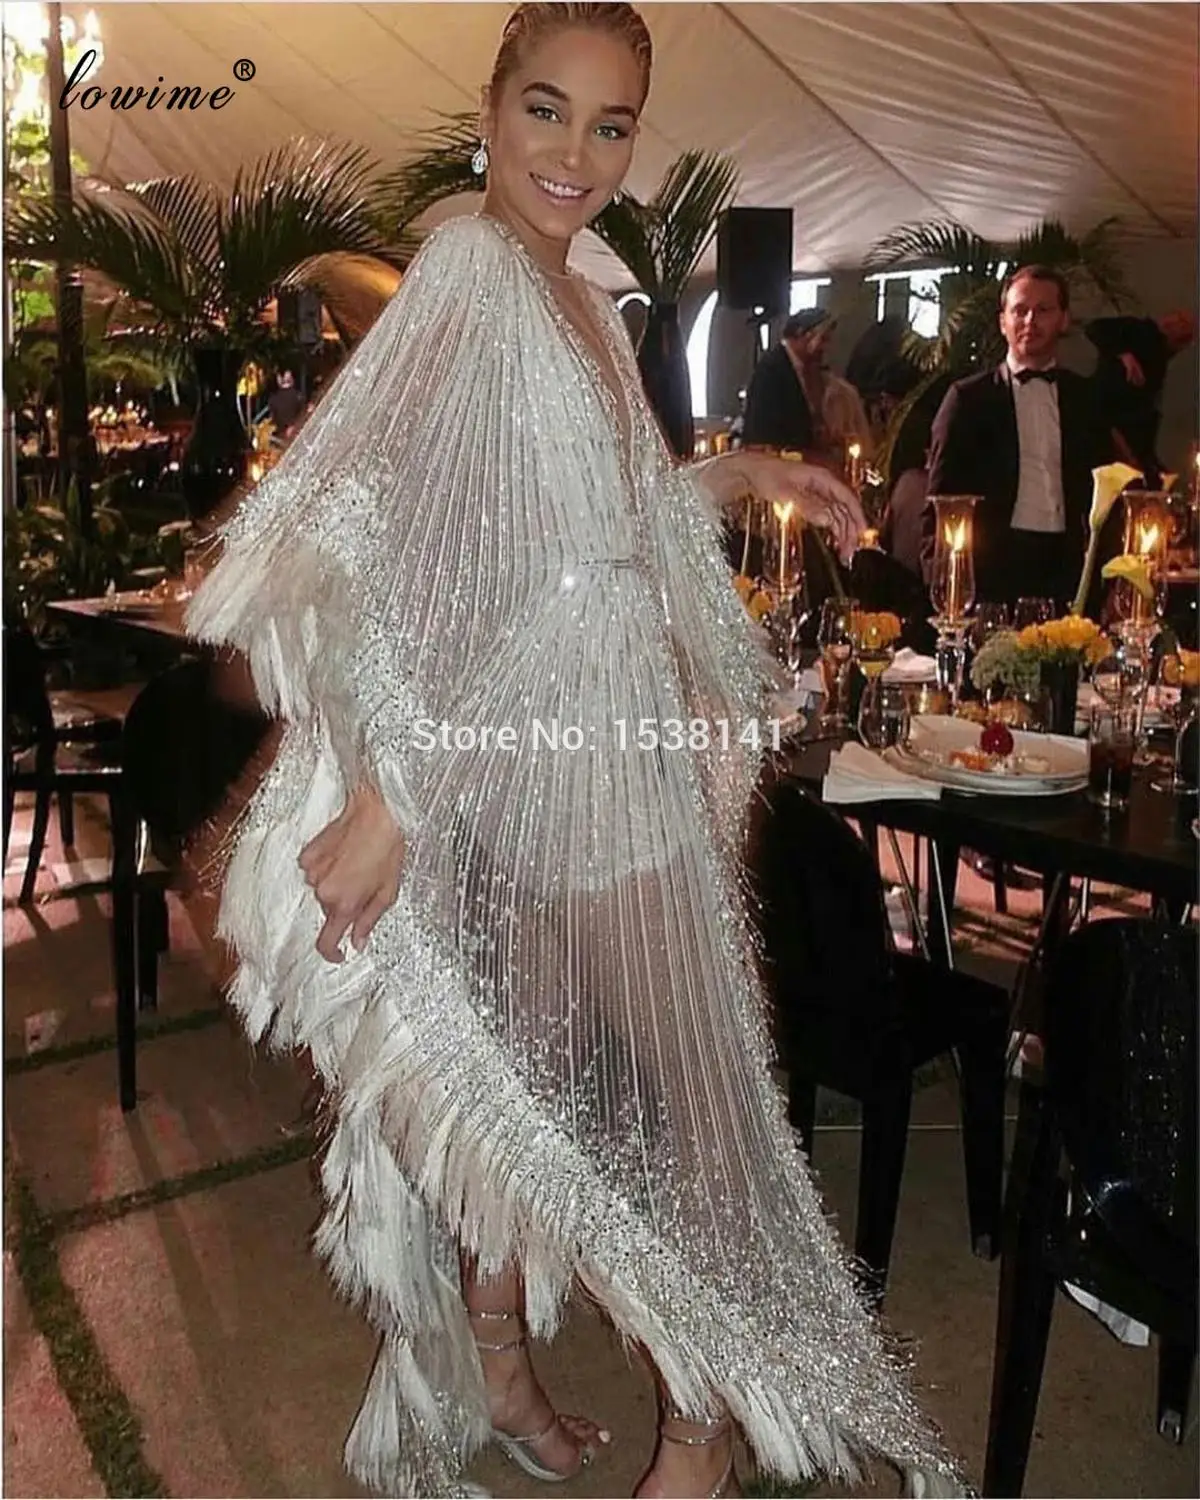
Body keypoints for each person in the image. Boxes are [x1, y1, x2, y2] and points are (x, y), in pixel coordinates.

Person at [186, 6, 964, 1497]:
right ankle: (704, 1425)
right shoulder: (472, 274)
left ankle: (515, 1371)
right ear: (490, 107)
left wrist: (736, 468)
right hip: (528, 762)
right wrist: (394, 792)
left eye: (611, 126)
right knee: (682, 1109)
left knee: (540, 1083)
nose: (575, 153)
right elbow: (379, 542)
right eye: (547, 110)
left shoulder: (578, 298)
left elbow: (598, 527)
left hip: (588, 754)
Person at [926, 265, 1113, 611]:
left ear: (1064, 320)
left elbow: (1106, 490)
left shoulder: (1087, 399)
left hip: (1068, 566)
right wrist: (945, 581)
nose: (1030, 321)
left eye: (1043, 310)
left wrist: (1109, 576)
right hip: (993, 567)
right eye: (1020, 310)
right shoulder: (968, 399)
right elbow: (940, 500)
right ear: (1003, 322)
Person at [1084, 309, 1195, 480]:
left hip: (1130, 424)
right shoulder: (1139, 329)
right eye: (1179, 321)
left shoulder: (1159, 355)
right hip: (1111, 415)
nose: (1177, 325)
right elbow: (1095, 328)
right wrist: (1123, 353)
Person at [740, 308, 833, 455]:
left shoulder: (807, 371)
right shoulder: (771, 370)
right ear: (804, 335)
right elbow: (762, 429)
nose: (825, 348)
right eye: (823, 340)